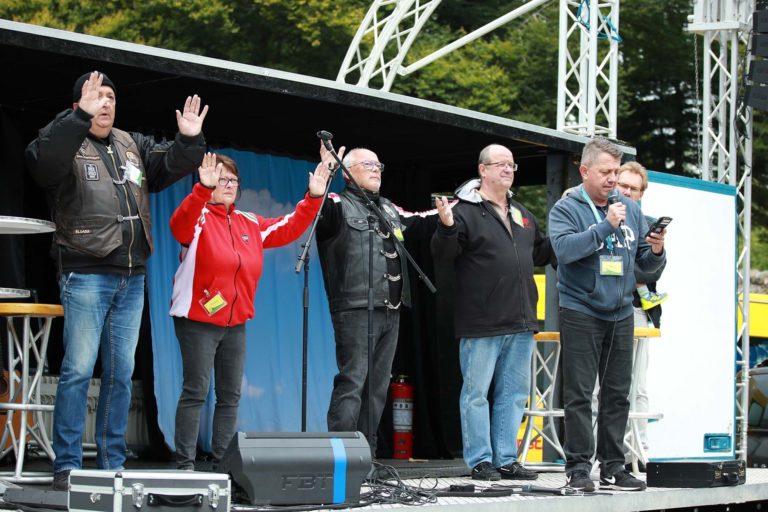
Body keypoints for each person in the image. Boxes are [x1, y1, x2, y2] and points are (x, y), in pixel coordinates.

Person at [25, 71, 209, 490]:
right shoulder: (63, 138)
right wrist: (75, 121)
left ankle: (112, 464)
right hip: (86, 271)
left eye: (110, 96)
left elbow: (165, 169)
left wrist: (188, 142)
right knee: (77, 370)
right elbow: (42, 165)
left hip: (132, 274)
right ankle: (67, 466)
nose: (105, 103)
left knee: (120, 372)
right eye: (96, 96)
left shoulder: (132, 143)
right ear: (78, 105)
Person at [168, 152, 331, 470]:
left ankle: (221, 462)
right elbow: (179, 226)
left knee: (230, 396)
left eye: (232, 180)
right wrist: (202, 189)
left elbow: (289, 227)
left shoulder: (249, 223)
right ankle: (183, 463)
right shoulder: (198, 219)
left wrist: (313, 197)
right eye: (221, 178)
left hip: (235, 322)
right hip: (197, 320)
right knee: (196, 391)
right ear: (207, 180)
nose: (228, 184)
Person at [431, 144, 556, 481]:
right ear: (482, 170)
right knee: (475, 394)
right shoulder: (464, 210)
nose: (508, 170)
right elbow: (443, 254)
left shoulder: (523, 213)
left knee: (514, 394)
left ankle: (506, 459)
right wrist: (445, 226)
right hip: (481, 320)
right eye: (501, 164)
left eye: (512, 165)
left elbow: (544, 251)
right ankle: (480, 461)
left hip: (521, 319)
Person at [548, 137, 666, 492]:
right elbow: (565, 251)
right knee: (581, 393)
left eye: (616, 171)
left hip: (620, 311)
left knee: (618, 392)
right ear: (585, 171)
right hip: (581, 309)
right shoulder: (566, 208)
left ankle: (614, 465)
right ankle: (579, 468)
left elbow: (644, 268)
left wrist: (657, 251)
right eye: (605, 172)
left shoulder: (630, 210)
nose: (613, 179)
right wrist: (604, 228)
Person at [316, 144, 439, 455]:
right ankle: (341, 457)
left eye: (378, 165)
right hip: (355, 308)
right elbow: (318, 212)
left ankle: (366, 458)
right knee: (353, 382)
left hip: (391, 311)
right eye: (368, 164)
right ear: (347, 173)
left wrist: (461, 204)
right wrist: (326, 175)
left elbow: (422, 219)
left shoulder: (388, 208)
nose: (376, 169)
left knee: (377, 388)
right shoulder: (336, 203)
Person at [616, 161, 667, 465]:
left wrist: (657, 251)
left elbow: (651, 271)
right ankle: (605, 452)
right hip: (601, 311)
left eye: (634, 188)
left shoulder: (648, 224)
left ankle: (639, 452)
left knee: (639, 385)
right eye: (623, 185)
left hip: (638, 311)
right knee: (601, 385)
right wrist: (630, 271)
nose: (627, 192)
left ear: (642, 193)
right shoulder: (600, 216)